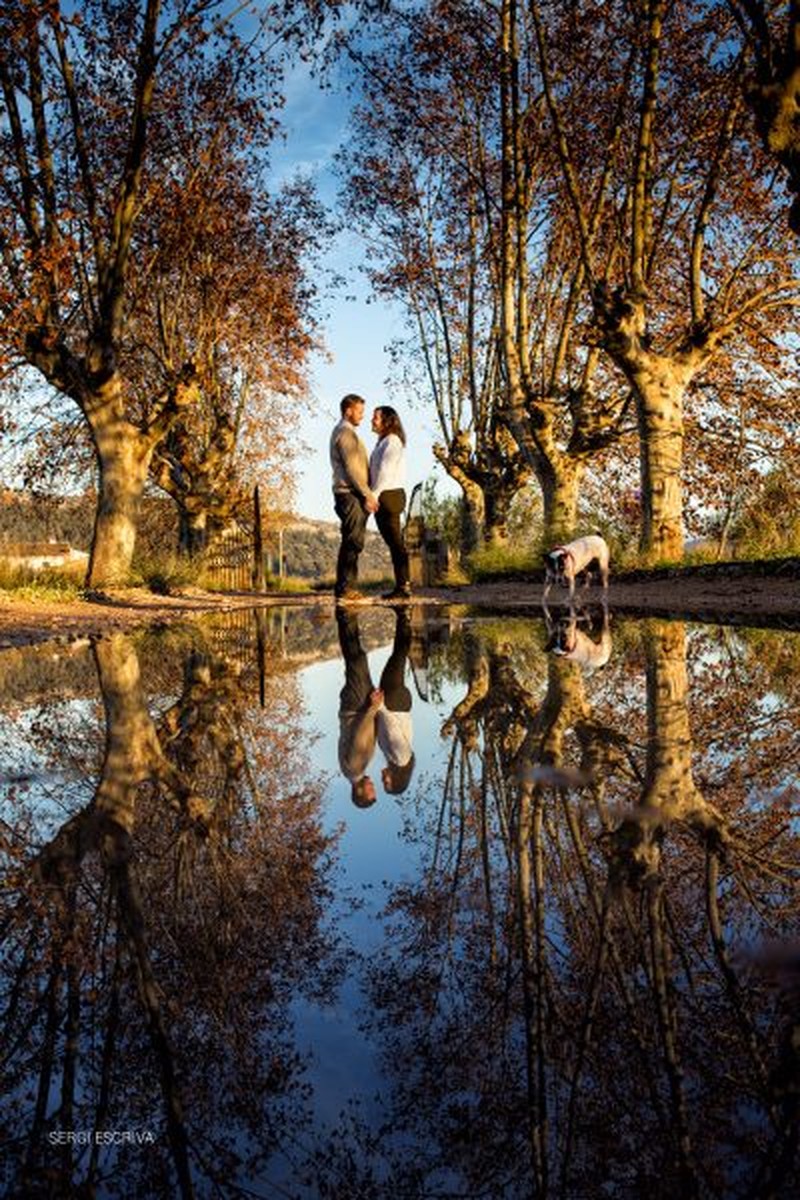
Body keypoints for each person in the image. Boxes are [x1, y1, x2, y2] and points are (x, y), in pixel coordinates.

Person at [330, 394, 378, 604]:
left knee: (353, 540)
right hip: (350, 493)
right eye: (359, 411)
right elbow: (352, 469)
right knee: (352, 541)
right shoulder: (345, 433)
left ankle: (347, 587)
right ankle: (345, 589)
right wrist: (367, 494)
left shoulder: (346, 432)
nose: (362, 416)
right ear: (348, 411)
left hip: (349, 493)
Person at [336, 609, 381, 807]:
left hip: (356, 706)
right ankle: (347, 615)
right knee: (355, 658)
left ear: (360, 791)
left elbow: (358, 736)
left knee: (357, 658)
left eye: (371, 790)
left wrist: (373, 708)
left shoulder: (354, 768)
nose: (373, 786)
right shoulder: (354, 770)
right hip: (357, 706)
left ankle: (345, 613)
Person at [369, 405, 411, 602]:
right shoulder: (382, 442)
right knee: (393, 543)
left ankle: (404, 587)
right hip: (385, 494)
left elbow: (385, 472)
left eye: (376, 417)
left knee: (396, 543)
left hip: (389, 495)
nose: (372, 420)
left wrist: (374, 495)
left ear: (387, 420)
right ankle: (401, 585)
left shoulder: (392, 442)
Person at [373, 609, 415, 795]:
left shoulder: (393, 759)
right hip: (395, 704)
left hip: (396, 704)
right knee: (398, 656)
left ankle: (404, 617)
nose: (383, 779)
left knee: (397, 657)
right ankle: (405, 615)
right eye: (387, 783)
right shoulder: (401, 759)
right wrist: (380, 707)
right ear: (397, 779)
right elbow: (393, 731)